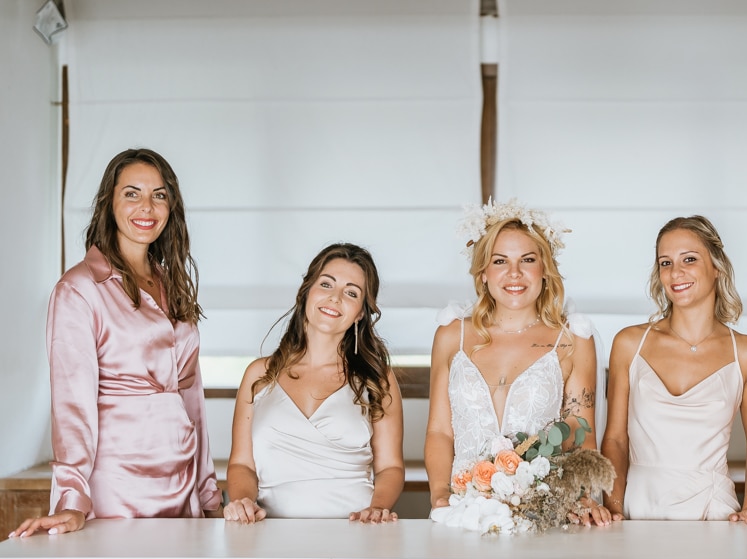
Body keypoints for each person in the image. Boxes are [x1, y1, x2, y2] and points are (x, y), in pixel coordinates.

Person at [10, 148, 220, 538]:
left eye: (159, 195)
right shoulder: (79, 289)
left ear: (171, 206)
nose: (147, 207)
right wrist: (71, 501)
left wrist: (209, 495)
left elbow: (191, 398)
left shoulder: (172, 286)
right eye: (132, 193)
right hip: (118, 481)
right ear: (109, 202)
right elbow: (72, 406)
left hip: (182, 478)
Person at [424, 200, 603, 523]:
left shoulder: (572, 340)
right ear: (483, 273)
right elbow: (439, 431)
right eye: (500, 261)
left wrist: (583, 497)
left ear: (544, 270)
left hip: (540, 514)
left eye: (528, 260)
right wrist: (440, 496)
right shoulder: (451, 335)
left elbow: (581, 435)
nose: (514, 273)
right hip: (461, 510)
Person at [600, 216, 747, 523]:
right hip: (640, 506)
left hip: (713, 510)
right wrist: (614, 509)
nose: (675, 272)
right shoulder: (629, 344)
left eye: (689, 259)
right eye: (665, 263)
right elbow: (615, 439)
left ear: (717, 267)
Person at [223, 243, 404, 522]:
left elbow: (390, 467)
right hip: (270, 532)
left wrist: (377, 508)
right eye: (326, 284)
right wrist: (243, 503)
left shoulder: (376, 378)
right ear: (306, 291)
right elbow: (241, 464)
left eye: (351, 293)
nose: (335, 298)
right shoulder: (259, 374)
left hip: (356, 531)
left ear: (360, 313)